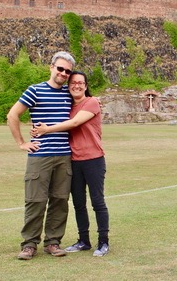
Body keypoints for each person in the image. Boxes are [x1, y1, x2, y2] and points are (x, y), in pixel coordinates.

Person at [31, 71, 110, 257]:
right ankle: (84, 241)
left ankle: (103, 242)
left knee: (97, 202)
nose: (77, 85)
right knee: (79, 203)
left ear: (86, 85)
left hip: (93, 159)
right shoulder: (67, 105)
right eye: (73, 83)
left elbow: (74, 123)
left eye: (81, 83)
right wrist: (37, 126)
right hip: (74, 160)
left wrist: (46, 130)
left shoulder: (91, 102)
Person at [7, 51, 76, 260]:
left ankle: (53, 242)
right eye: (60, 69)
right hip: (40, 156)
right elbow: (13, 114)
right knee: (35, 201)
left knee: (60, 200)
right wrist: (21, 143)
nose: (63, 73)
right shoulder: (34, 90)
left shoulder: (68, 94)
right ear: (51, 67)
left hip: (64, 156)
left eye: (67, 71)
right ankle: (29, 244)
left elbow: (83, 106)